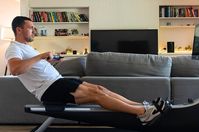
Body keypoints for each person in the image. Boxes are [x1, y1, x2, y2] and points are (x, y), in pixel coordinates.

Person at [5, 16, 168, 125]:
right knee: (97, 95)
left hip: (57, 81)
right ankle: (143, 113)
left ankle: (143, 106)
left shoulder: (26, 48)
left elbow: (31, 67)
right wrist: (41, 56)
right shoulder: (13, 49)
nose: (34, 31)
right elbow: (15, 69)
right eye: (30, 28)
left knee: (100, 89)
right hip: (49, 89)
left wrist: (50, 61)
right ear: (19, 30)